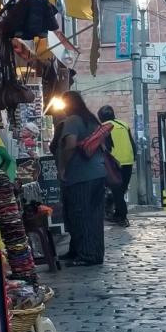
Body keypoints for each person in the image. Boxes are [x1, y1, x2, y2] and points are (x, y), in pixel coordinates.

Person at [54, 92, 107, 267]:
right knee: (95, 216)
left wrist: (63, 167)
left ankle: (86, 255)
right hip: (98, 173)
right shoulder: (92, 120)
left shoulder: (73, 121)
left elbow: (70, 145)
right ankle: (90, 252)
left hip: (80, 176)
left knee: (80, 214)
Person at [97, 104, 135, 227]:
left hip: (114, 163)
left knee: (116, 190)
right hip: (128, 161)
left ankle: (122, 216)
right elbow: (132, 143)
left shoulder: (103, 128)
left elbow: (104, 147)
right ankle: (117, 214)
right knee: (121, 189)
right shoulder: (124, 125)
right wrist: (133, 157)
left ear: (100, 117)